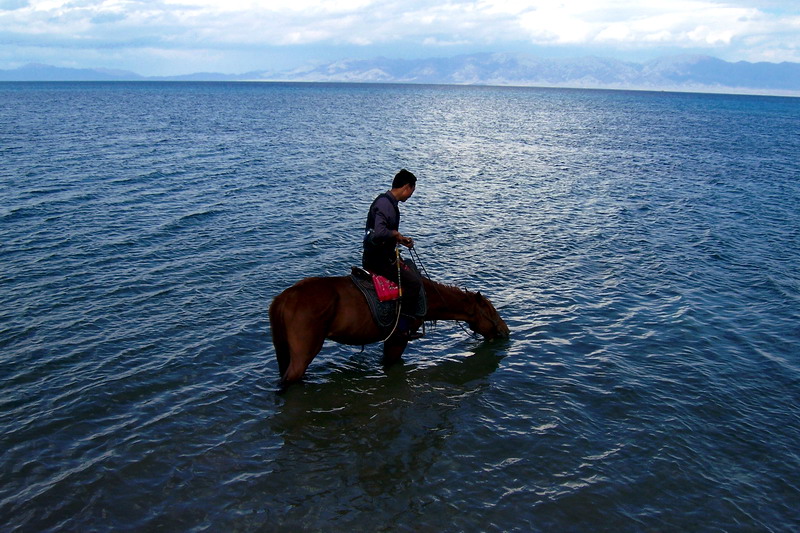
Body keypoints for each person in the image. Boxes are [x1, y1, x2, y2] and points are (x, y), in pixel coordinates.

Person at [363, 169, 423, 340]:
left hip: (382, 255)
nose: (411, 195)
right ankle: (401, 328)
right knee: (413, 284)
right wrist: (396, 235)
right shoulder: (384, 204)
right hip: (377, 260)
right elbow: (380, 232)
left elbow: (384, 232)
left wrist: (401, 239)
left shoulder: (390, 204)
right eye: (412, 190)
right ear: (407, 187)